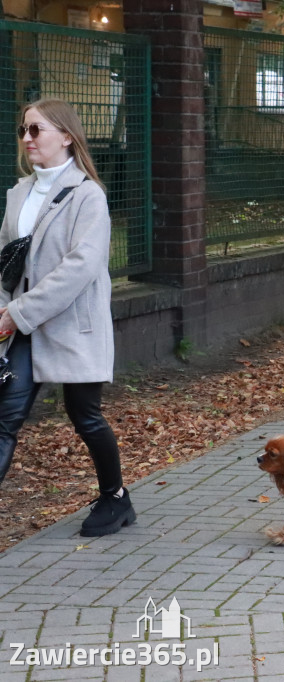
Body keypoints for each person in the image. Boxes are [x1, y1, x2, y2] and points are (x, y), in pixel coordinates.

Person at [0, 98, 134, 537]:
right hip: (21, 326)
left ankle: (115, 497)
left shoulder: (87, 195)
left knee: (85, 415)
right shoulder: (18, 193)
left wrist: (17, 313)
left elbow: (80, 268)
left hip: (71, 323)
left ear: (67, 136)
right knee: (6, 417)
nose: (27, 139)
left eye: (36, 130)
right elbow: (6, 262)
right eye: (23, 130)